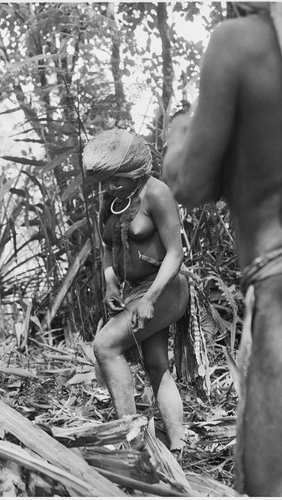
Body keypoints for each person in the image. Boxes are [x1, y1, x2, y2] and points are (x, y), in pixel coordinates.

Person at [163, 2, 282, 496]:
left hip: (278, 281)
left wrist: (179, 135)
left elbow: (190, 182)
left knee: (270, 484)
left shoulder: (239, 41)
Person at [83, 128, 189, 456]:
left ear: (137, 173)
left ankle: (130, 437)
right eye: (107, 181)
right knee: (157, 365)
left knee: (105, 346)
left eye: (117, 180)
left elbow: (175, 252)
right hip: (134, 291)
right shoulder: (110, 201)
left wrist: (149, 300)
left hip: (166, 288)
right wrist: (111, 282)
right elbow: (107, 247)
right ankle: (179, 444)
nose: (110, 187)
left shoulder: (156, 193)